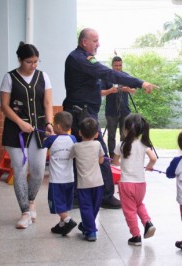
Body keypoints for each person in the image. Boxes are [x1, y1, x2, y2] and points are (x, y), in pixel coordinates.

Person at [63, 28, 158, 209]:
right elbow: (108, 74)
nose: (98, 44)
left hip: (84, 112)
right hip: (81, 114)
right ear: (84, 42)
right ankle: (106, 195)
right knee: (100, 151)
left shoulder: (85, 58)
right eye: (95, 40)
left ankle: (78, 196)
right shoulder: (79, 59)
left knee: (82, 152)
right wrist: (140, 82)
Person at [0, 42, 54, 229]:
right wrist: (20, 123)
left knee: (38, 170)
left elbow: (47, 103)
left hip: (39, 129)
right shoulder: (9, 77)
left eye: (36, 61)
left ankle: (31, 201)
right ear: (20, 60)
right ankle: (24, 212)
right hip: (16, 131)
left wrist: (49, 123)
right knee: (20, 170)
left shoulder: (43, 76)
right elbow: (5, 106)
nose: (33, 65)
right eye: (29, 62)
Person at [111, 113, 157, 246]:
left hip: (126, 184)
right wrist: (148, 167)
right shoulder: (143, 144)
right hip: (141, 184)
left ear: (125, 129)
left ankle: (136, 236)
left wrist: (120, 164)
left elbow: (115, 162)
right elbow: (153, 159)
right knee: (139, 204)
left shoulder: (121, 145)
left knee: (129, 210)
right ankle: (147, 222)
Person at [68, 117, 104, 241]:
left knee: (86, 207)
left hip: (84, 185)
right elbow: (101, 160)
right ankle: (89, 227)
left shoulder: (76, 146)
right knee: (95, 207)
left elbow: (69, 157)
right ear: (96, 134)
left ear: (79, 132)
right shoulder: (98, 144)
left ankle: (90, 229)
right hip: (98, 182)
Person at [43, 111, 77, 236]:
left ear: (57, 126)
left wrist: (47, 135)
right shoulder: (73, 139)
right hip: (69, 179)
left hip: (56, 180)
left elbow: (43, 143)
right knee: (65, 202)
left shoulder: (50, 140)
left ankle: (68, 220)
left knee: (57, 204)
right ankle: (61, 225)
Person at [100, 56, 136, 158]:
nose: (118, 67)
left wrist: (128, 89)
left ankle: (123, 155)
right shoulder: (107, 77)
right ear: (112, 66)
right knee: (111, 135)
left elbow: (134, 90)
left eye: (120, 65)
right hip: (111, 111)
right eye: (116, 66)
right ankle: (112, 157)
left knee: (124, 135)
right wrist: (110, 91)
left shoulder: (125, 76)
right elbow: (101, 92)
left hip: (125, 110)